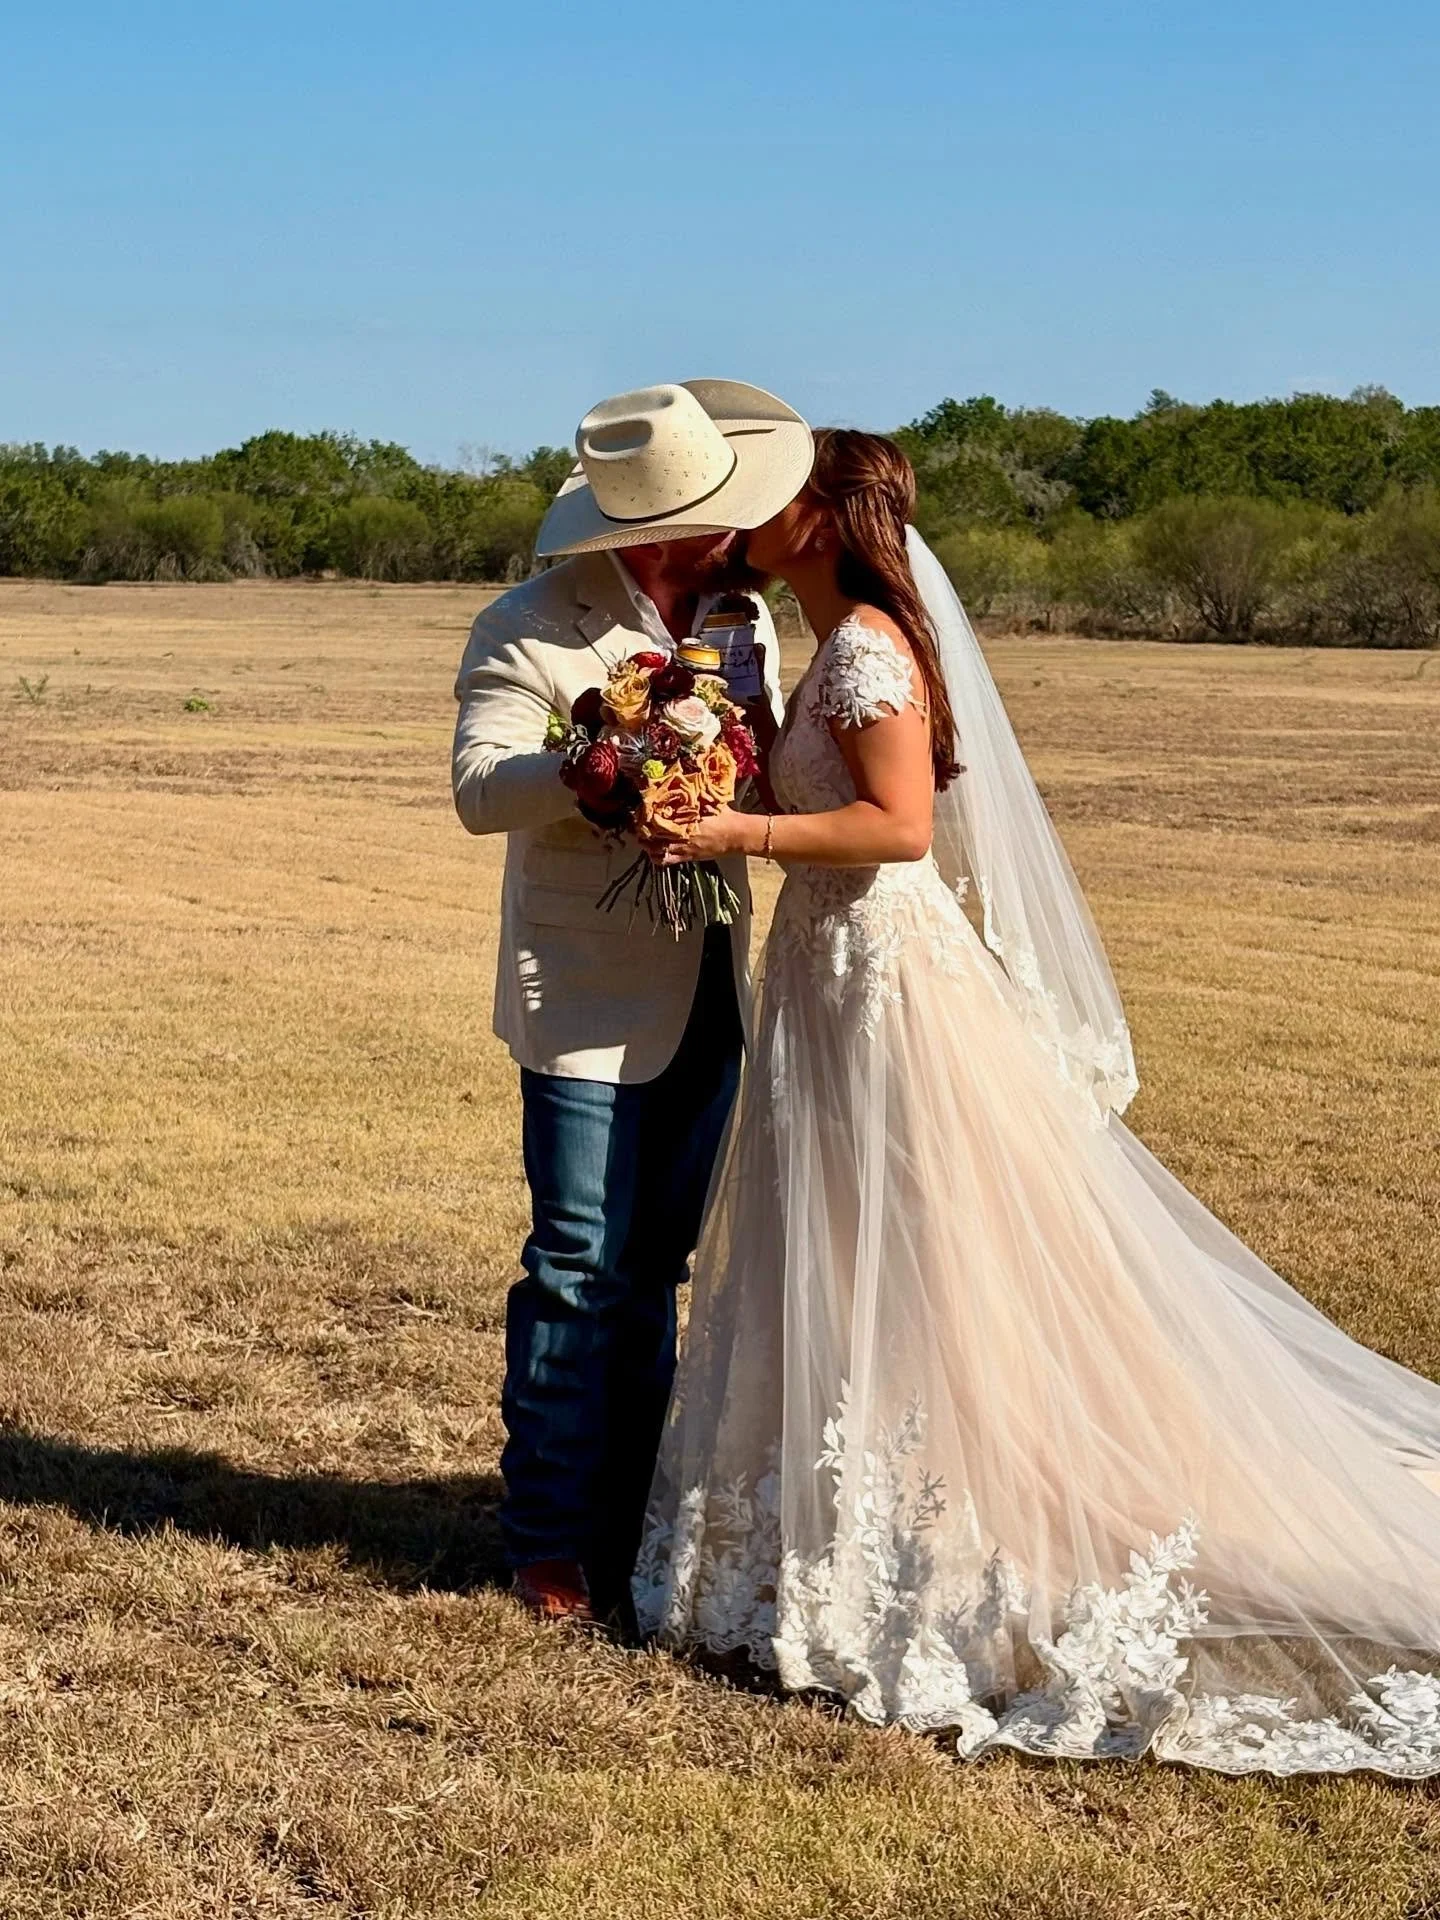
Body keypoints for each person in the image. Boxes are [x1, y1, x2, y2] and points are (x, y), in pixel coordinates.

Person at [634, 427, 1440, 1778]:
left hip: (891, 982)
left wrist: (737, 836)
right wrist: (718, 714)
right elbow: (806, 780)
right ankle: (857, 1532)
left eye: (774, 502)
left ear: (825, 521)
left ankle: (967, 1531)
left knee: (929, 1251)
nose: (748, 519)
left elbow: (895, 828)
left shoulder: (879, 646)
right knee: (839, 1245)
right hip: (829, 977)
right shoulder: (825, 645)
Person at [451, 380, 811, 1627]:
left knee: (658, 1263)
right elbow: (479, 790)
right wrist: (592, 767)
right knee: (574, 1264)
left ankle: (632, 1524)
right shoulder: (530, 625)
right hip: (583, 993)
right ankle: (548, 1541)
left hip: (710, 974)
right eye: (727, 516)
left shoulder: (740, 616)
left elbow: (754, 747)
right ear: (668, 527)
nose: (746, 533)